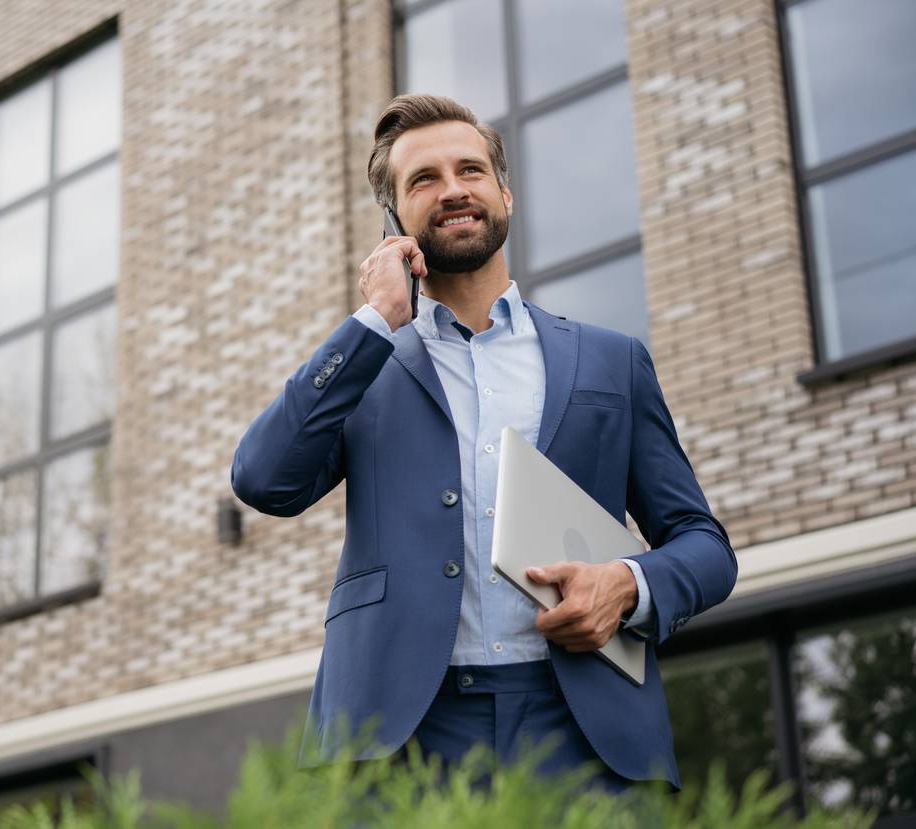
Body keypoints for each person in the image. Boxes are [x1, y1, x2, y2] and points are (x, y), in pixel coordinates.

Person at [230, 94, 736, 791]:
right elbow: (263, 479)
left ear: (504, 192)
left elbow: (704, 545)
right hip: (398, 739)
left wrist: (625, 584)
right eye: (423, 179)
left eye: (469, 169)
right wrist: (376, 320)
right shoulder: (365, 366)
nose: (453, 190)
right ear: (394, 219)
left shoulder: (609, 361)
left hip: (587, 731)